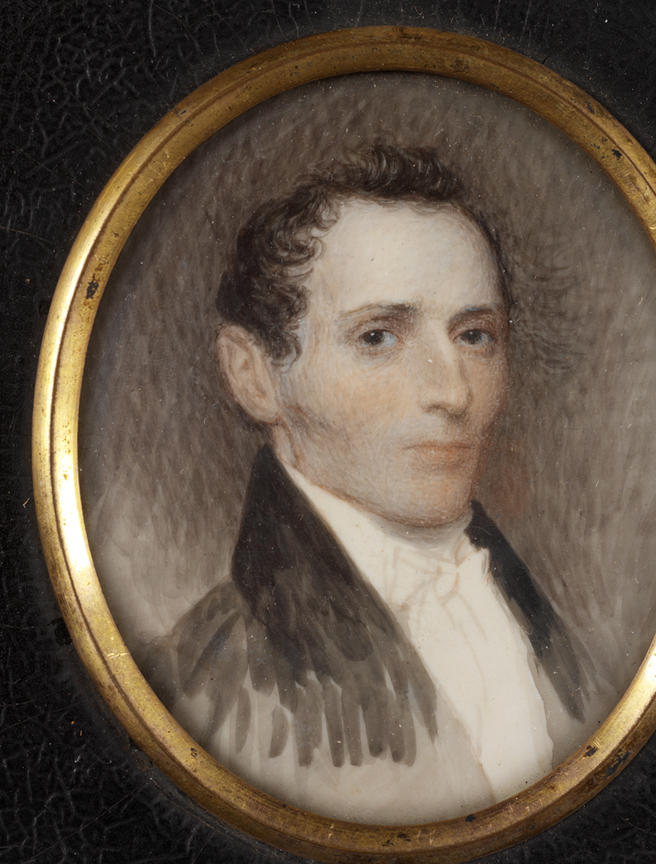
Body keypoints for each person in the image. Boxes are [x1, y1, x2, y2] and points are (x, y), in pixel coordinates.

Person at [145, 145, 586, 824]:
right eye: (378, 337)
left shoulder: (569, 647)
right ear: (254, 376)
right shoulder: (203, 691)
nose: (452, 392)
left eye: (474, 335)